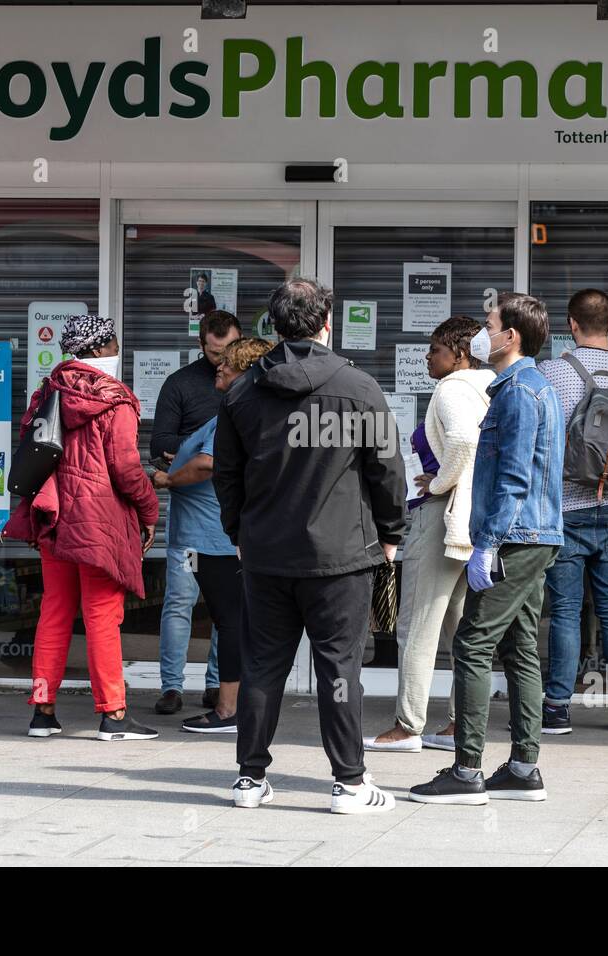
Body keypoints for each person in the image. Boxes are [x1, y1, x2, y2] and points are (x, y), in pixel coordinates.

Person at [213, 277, 406, 813]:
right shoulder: (359, 387)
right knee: (339, 669)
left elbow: (226, 477)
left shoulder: (242, 392)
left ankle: (249, 779)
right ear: (328, 322)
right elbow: (387, 470)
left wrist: (240, 535)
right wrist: (392, 534)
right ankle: (348, 783)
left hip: (266, 554)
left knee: (262, 666)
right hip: (340, 556)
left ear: (273, 327)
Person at [409, 292, 564, 805]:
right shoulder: (535, 387)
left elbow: (515, 478)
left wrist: (488, 545)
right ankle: (523, 769)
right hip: (535, 536)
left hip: (515, 539)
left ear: (510, 336)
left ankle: (467, 770)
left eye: (491, 324)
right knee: (520, 648)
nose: (483, 333)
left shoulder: (519, 392)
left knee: (473, 644)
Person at [2, 314, 161, 742]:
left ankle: (43, 710)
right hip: (97, 522)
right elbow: (127, 470)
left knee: (54, 611)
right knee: (102, 616)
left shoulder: (48, 392)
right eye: (111, 344)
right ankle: (113, 714)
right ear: (98, 349)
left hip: (54, 517)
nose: (116, 351)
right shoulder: (115, 400)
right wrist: (149, 511)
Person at [364, 316, 494, 754]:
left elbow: (462, 444)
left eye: (436, 349)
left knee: (417, 625)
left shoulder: (453, 389)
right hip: (470, 520)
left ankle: (407, 726)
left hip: (441, 517)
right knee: (460, 630)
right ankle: (459, 724)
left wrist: (438, 483)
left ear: (459, 355)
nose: (427, 356)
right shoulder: (488, 387)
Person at [537, 289, 608, 734]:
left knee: (565, 611)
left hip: (566, 506)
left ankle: (559, 707)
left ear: (571, 324)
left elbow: (542, 438)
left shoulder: (552, 372)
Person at [153, 337, 275, 733]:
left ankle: (227, 709)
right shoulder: (248, 411)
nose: (218, 369)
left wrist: (169, 479)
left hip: (209, 540)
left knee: (226, 619)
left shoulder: (232, 413)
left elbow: (207, 463)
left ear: (246, 373)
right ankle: (226, 702)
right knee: (229, 618)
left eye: (228, 364)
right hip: (216, 536)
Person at [150, 309, 242, 715]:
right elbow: (161, 445)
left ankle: (217, 686)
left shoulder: (247, 389)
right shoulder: (181, 384)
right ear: (200, 345)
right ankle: (171, 686)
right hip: (190, 521)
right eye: (213, 352)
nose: (221, 362)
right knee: (179, 603)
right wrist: (200, 449)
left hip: (229, 522)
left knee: (227, 611)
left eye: (229, 352)